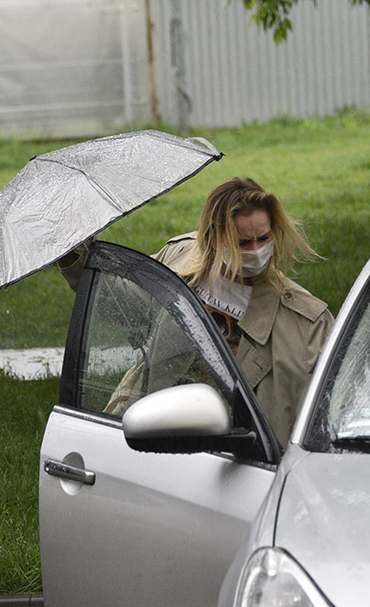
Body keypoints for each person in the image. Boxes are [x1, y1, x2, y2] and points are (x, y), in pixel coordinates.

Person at [58, 177, 334, 448]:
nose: (256, 251)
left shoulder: (307, 320)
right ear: (213, 239)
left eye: (264, 238)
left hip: (240, 452)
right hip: (155, 430)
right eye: (242, 243)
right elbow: (123, 302)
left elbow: (325, 409)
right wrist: (74, 255)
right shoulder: (180, 258)